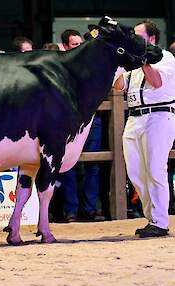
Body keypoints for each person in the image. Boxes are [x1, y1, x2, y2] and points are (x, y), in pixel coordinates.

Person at [114, 20, 175, 237]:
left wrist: (143, 61)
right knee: (135, 172)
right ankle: (152, 218)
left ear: (152, 39)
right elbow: (120, 87)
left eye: (139, 36)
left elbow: (157, 81)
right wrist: (119, 63)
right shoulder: (134, 62)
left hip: (159, 116)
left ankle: (160, 221)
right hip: (134, 117)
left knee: (156, 169)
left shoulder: (166, 58)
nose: (135, 39)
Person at [53, 29, 103, 222]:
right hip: (69, 119)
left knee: (93, 164)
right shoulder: (61, 64)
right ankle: (71, 210)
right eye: (74, 44)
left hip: (93, 118)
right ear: (65, 46)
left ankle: (90, 209)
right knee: (68, 164)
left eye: (80, 43)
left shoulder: (93, 63)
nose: (79, 47)